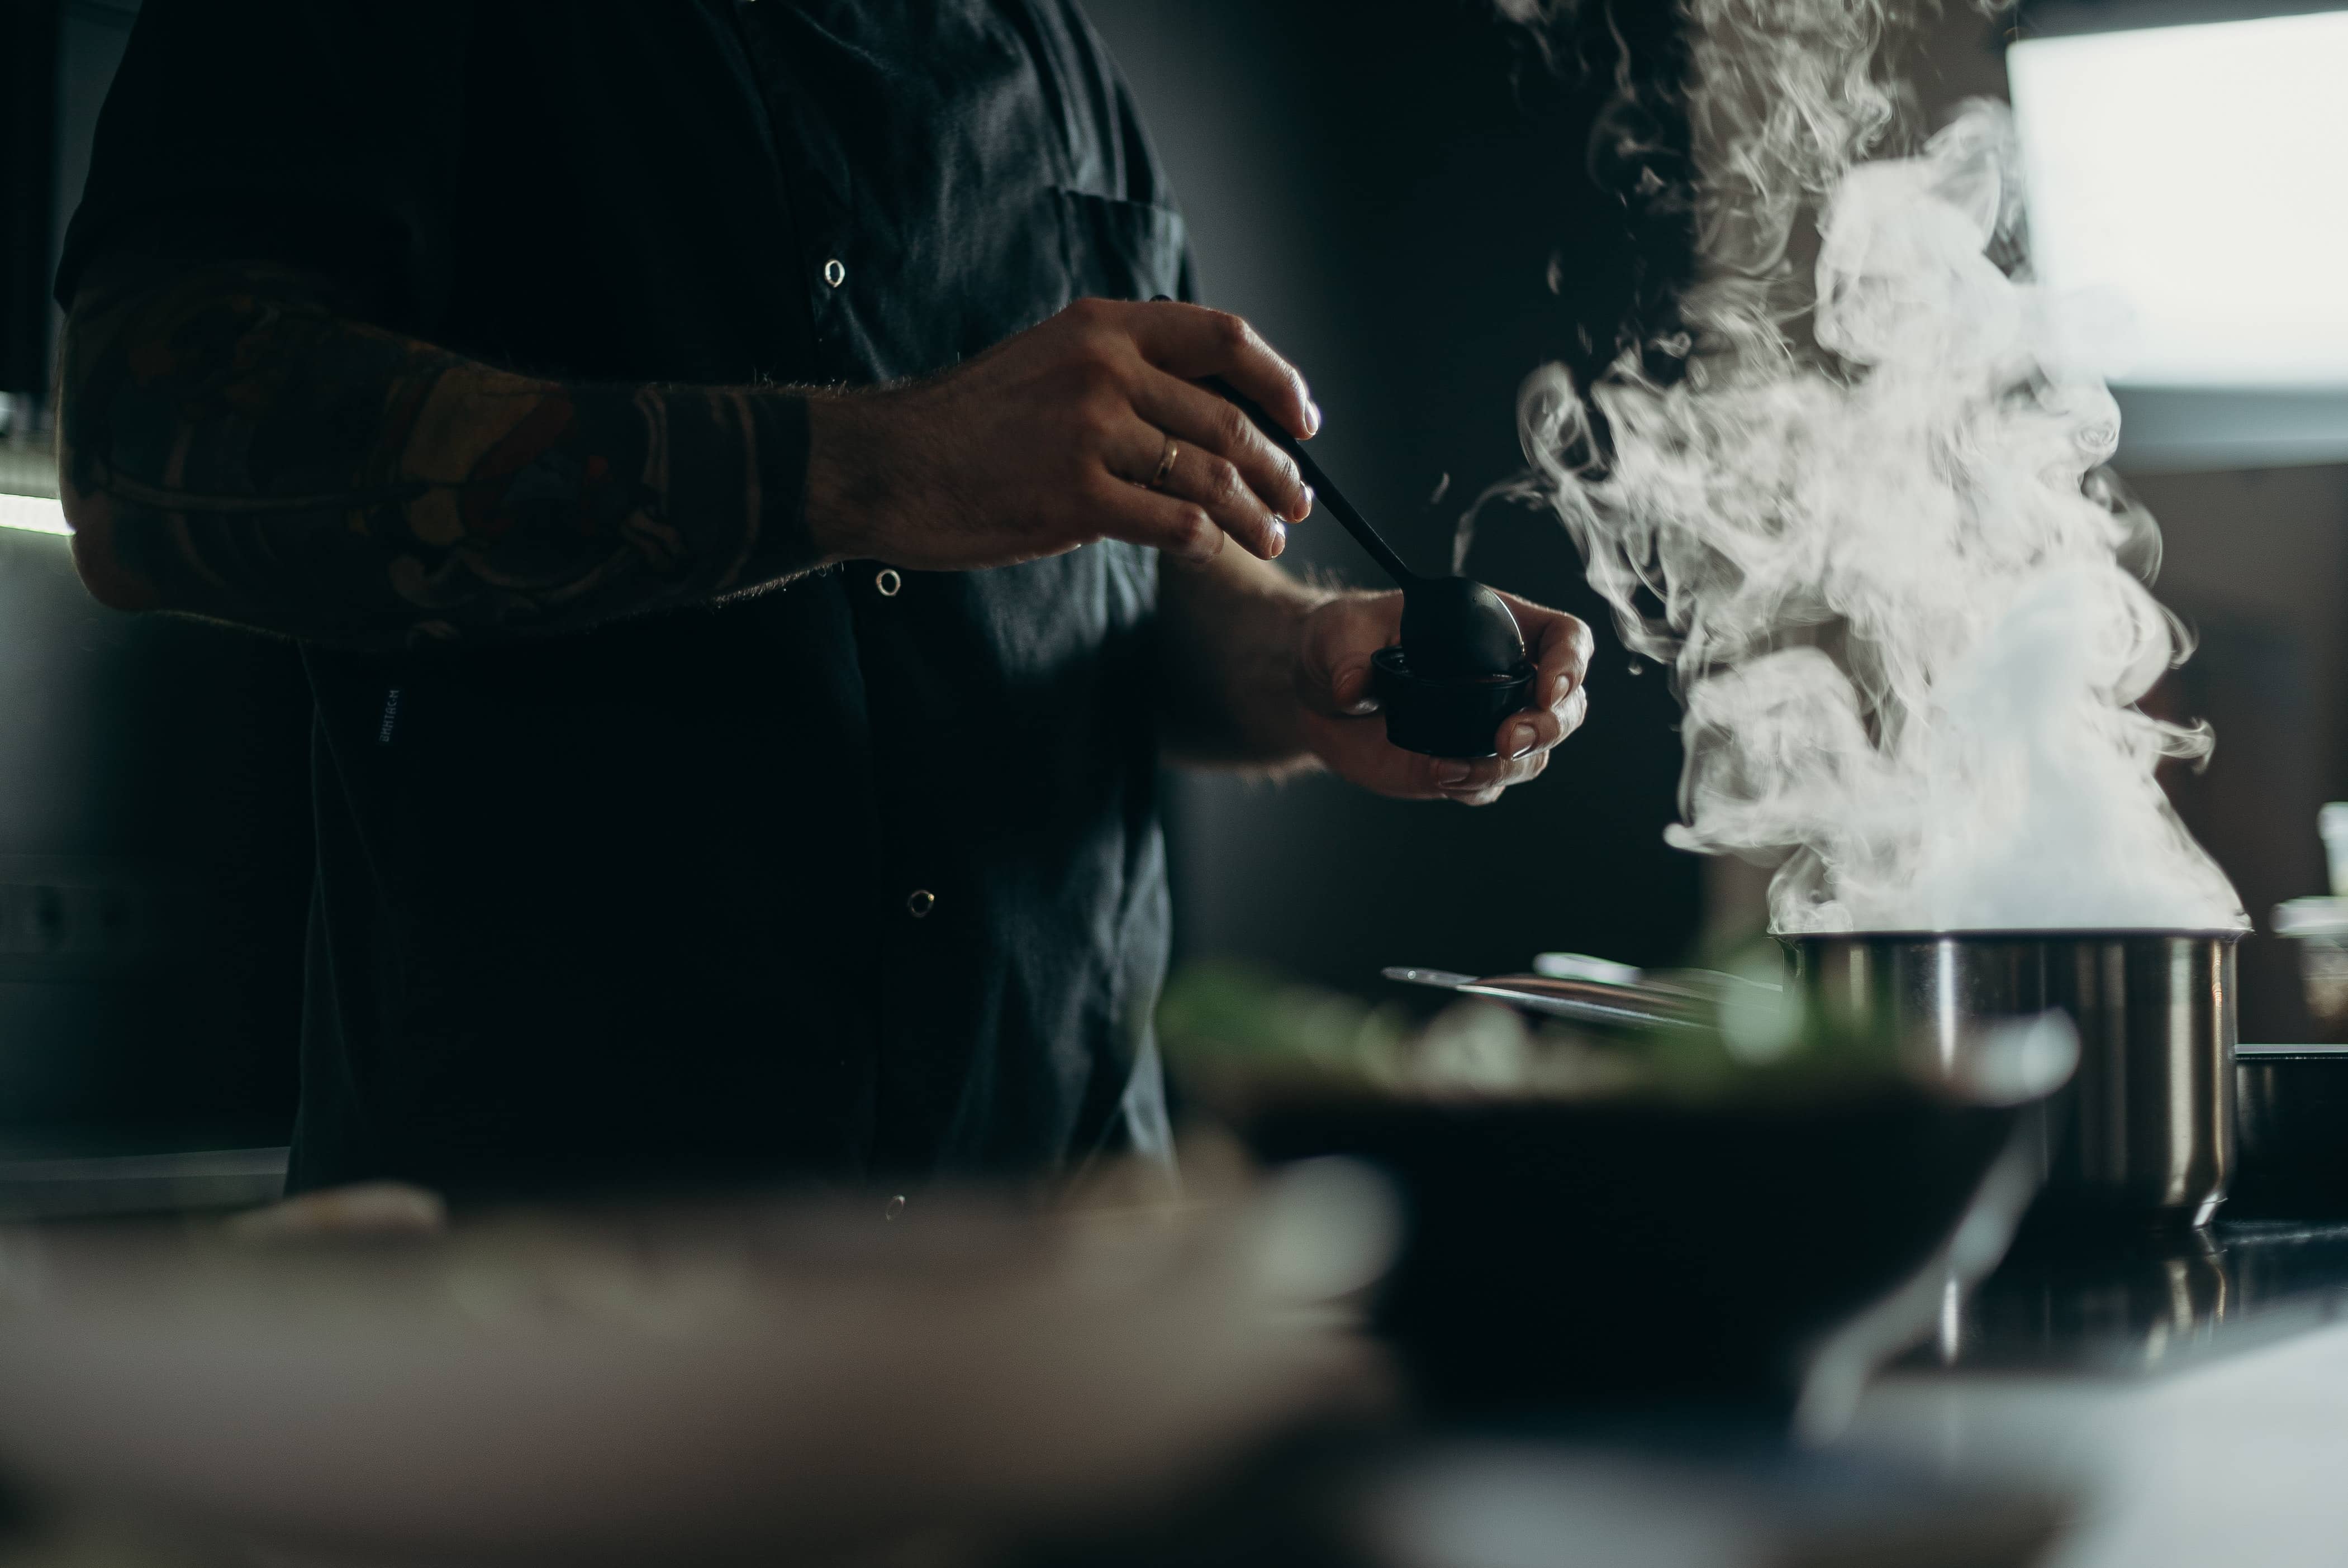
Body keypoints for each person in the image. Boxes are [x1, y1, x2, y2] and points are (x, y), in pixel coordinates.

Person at [52, 0, 1592, 1205]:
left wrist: (1291, 658)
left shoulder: (1052, 54)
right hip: (552, 1317)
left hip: (1058, 1278)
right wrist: (876, 465)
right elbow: (148, 464)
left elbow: (1110, 586)